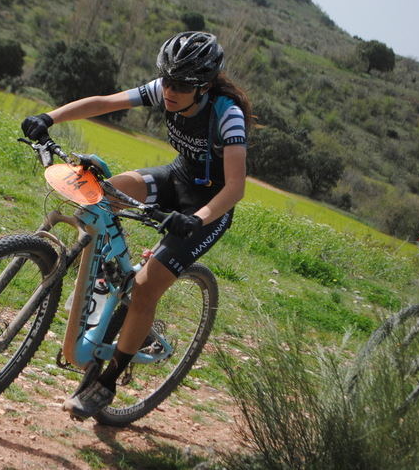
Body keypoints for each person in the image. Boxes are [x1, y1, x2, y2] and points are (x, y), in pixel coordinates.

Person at [21, 31, 252, 419]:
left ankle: (107, 383)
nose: (170, 92)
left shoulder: (227, 114)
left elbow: (235, 188)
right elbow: (105, 102)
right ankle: (114, 266)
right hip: (176, 178)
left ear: (205, 86)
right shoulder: (165, 88)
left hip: (208, 206)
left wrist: (196, 219)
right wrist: (51, 116)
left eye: (182, 85)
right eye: (167, 80)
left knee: (145, 290)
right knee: (99, 194)